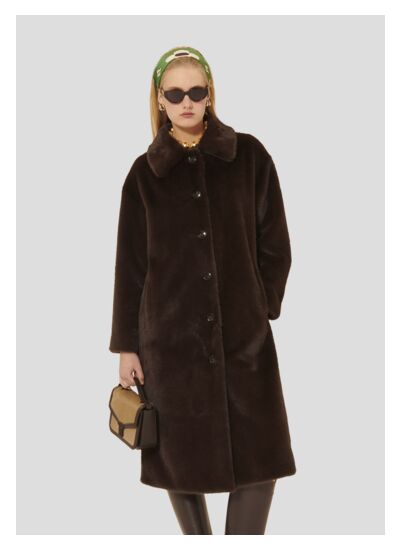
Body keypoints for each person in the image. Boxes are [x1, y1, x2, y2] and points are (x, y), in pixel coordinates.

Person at [109, 46, 296, 535]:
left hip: (244, 338)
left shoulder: (249, 156)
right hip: (168, 344)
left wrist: (261, 304)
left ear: (209, 94)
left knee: (261, 457)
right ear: (160, 99)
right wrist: (127, 345)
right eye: (175, 94)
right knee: (177, 457)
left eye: (195, 91)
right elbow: (130, 268)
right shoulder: (144, 175)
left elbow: (275, 243)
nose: (186, 101)